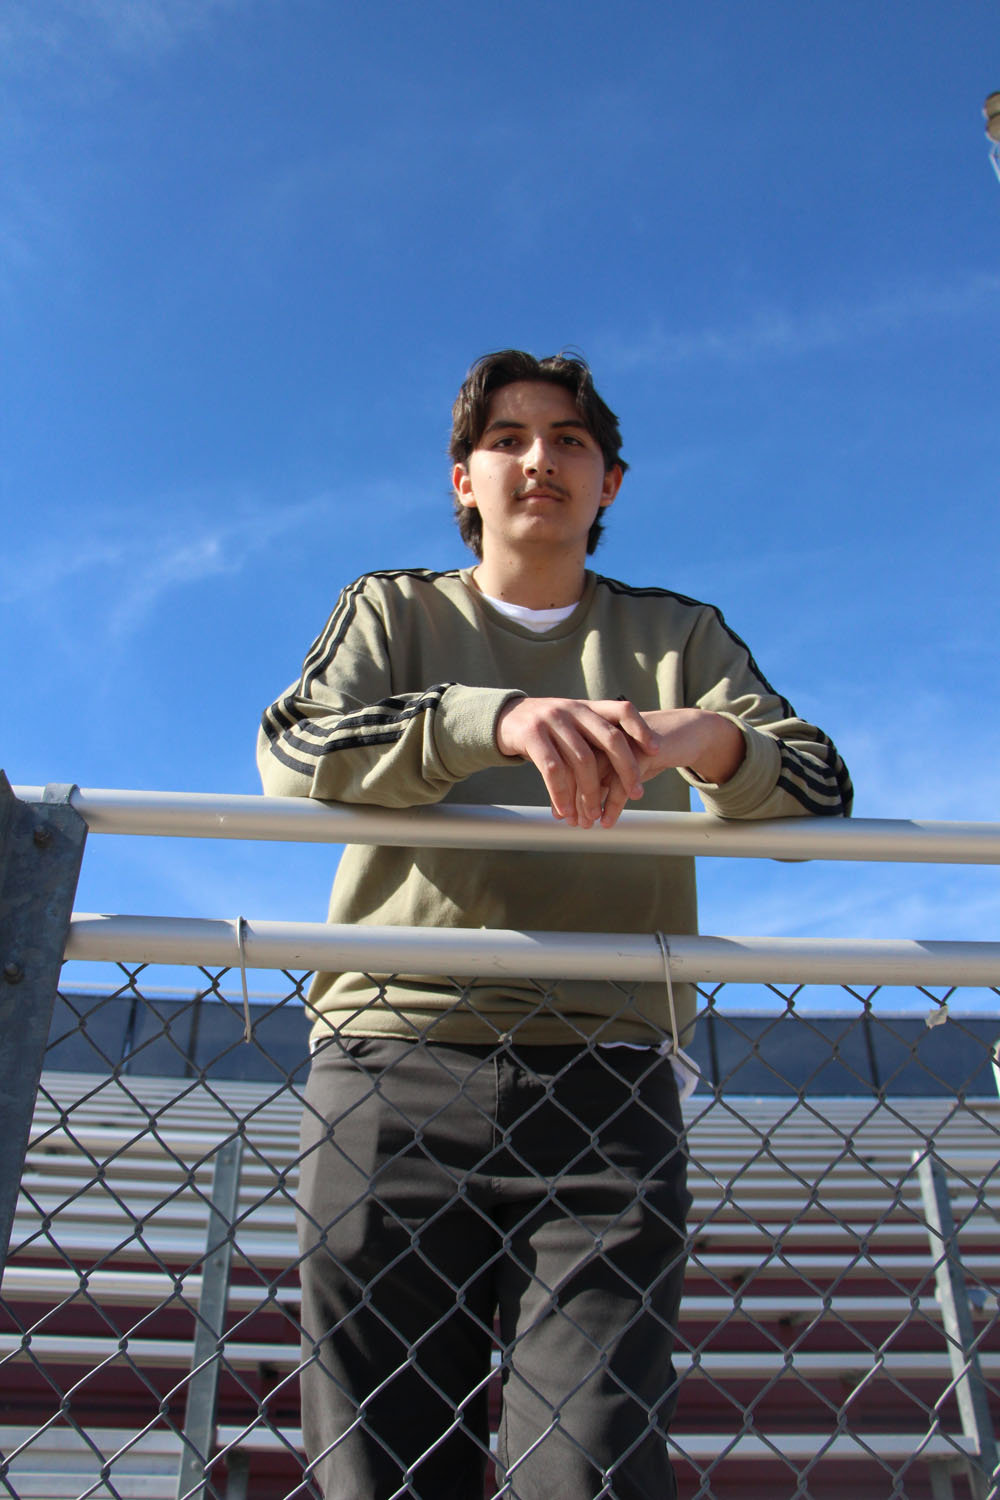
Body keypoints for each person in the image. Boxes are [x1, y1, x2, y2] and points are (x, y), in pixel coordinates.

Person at [257, 350, 852, 1500]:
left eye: (570, 440)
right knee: (378, 1466)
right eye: (510, 439)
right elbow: (292, 750)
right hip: (392, 1057)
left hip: (608, 1075)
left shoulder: (680, 634)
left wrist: (700, 742)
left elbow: (819, 788)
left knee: (582, 1469)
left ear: (611, 483)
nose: (540, 459)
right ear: (462, 481)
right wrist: (503, 719)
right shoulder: (393, 609)